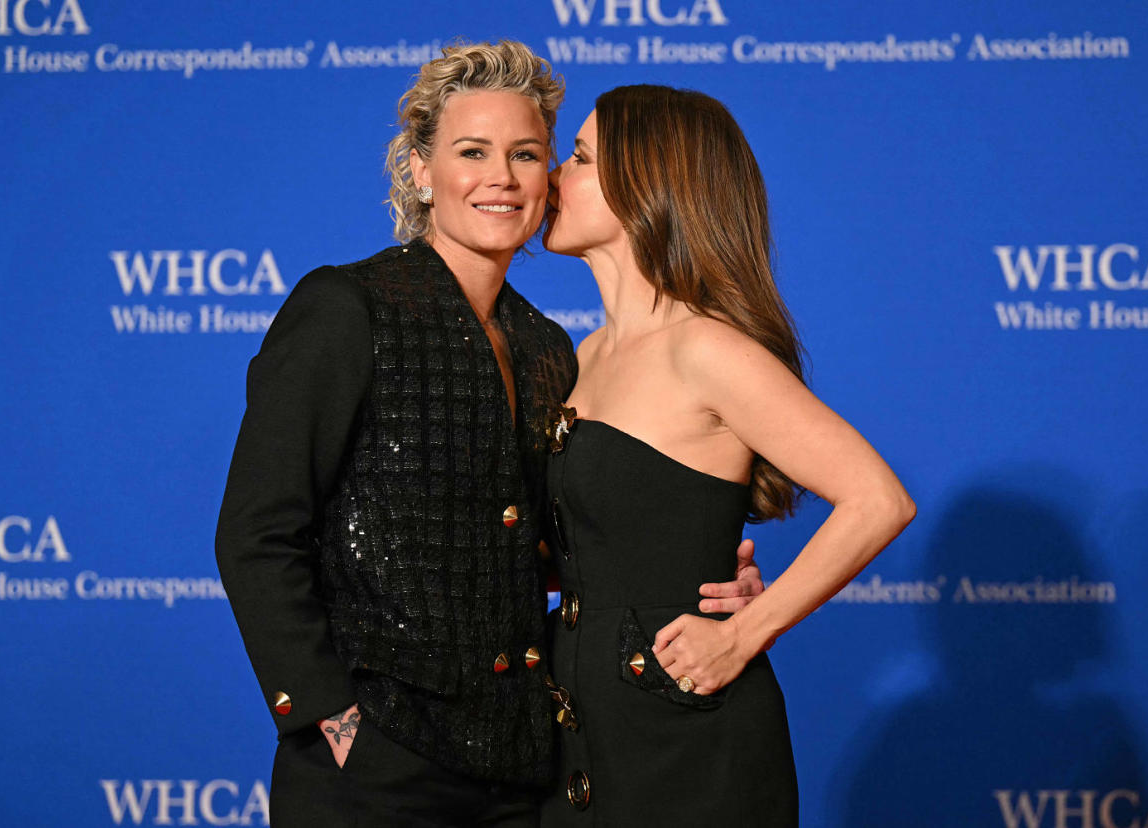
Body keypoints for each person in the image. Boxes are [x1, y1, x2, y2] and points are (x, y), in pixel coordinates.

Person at [214, 46, 762, 828]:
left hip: (523, 767)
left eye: (527, 154)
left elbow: (537, 544)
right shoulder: (348, 307)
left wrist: (688, 573)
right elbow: (257, 532)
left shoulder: (546, 346)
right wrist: (331, 722)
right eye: (472, 152)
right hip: (374, 765)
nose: (501, 177)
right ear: (419, 171)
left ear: (548, 179)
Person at [539, 85, 917, 825]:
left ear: (647, 186)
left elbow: (878, 499)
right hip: (578, 730)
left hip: (687, 740)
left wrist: (746, 631)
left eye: (579, 158)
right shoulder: (584, 354)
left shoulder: (706, 349)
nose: (553, 176)